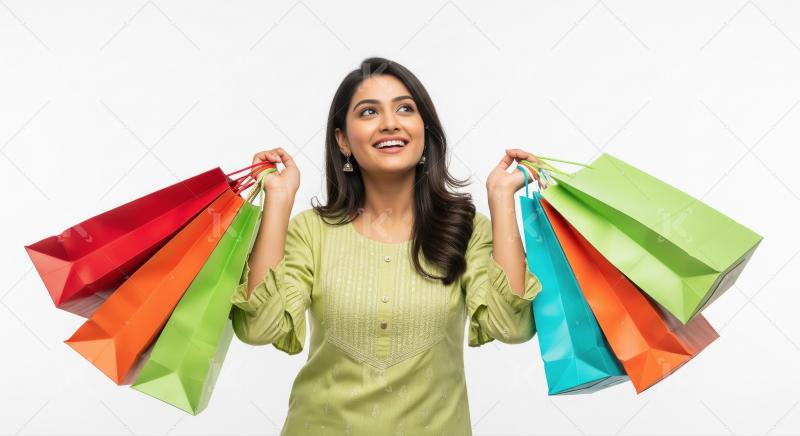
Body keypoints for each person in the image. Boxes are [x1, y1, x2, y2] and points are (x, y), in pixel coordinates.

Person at [230, 57, 543, 436]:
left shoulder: (466, 231)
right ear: (342, 140)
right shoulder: (311, 233)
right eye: (368, 112)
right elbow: (258, 328)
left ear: (424, 131)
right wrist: (278, 199)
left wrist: (500, 197)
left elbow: (512, 327)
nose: (390, 122)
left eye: (405, 109)